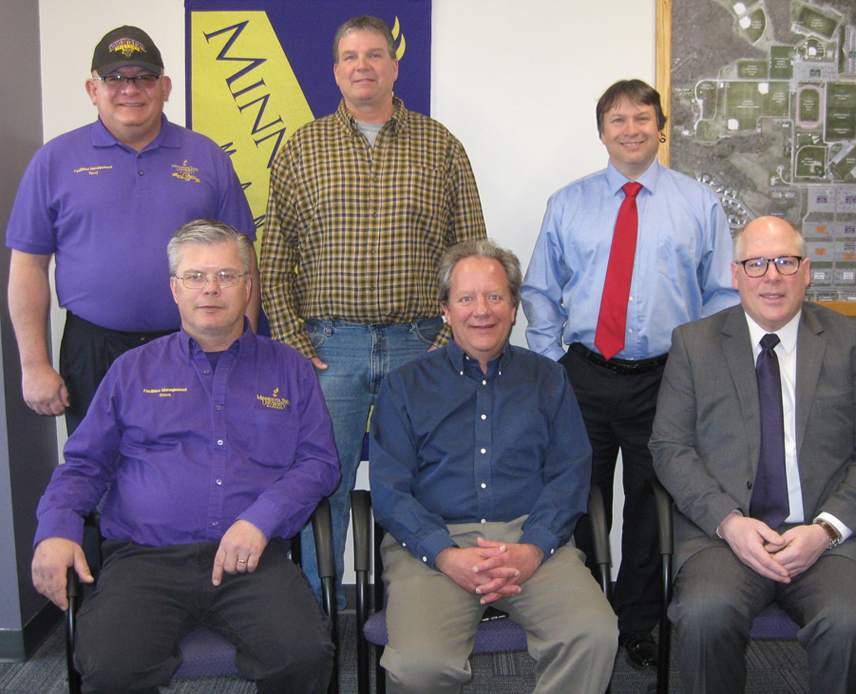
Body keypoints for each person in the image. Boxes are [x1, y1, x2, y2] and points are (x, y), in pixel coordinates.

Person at [30, 220, 339, 694]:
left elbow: (319, 463)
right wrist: (55, 530)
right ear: (174, 288)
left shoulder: (289, 368)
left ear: (248, 285)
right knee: (112, 668)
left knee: (303, 656)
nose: (210, 288)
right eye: (195, 276)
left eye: (227, 275)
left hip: (251, 560)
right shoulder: (132, 369)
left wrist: (262, 519)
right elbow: (85, 465)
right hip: (144, 561)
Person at [260, 14, 486, 602]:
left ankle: (412, 611)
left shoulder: (442, 146)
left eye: (375, 54)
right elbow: (274, 257)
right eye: (351, 57)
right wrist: (293, 343)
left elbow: (471, 252)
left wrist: (448, 343)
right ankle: (313, 615)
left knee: (417, 485)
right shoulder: (300, 149)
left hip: (419, 344)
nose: (364, 66)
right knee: (320, 482)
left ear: (394, 64)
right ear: (336, 71)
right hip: (329, 348)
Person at [520, 78, 738, 666]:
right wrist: (551, 365)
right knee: (578, 497)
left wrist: (704, 371)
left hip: (667, 378)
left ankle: (638, 621)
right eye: (618, 120)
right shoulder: (568, 203)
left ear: (660, 127)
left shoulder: (698, 203)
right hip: (583, 376)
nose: (632, 129)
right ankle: (584, 618)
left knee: (651, 501)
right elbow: (541, 290)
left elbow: (721, 293)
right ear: (602, 132)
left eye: (642, 118)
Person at [649, 216, 856, 694]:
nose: (771, 276)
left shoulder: (850, 340)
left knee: (849, 625)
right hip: (725, 540)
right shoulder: (694, 343)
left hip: (829, 540)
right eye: (757, 263)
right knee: (705, 616)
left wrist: (826, 530)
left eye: (785, 262)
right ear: (736, 274)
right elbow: (669, 447)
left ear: (806, 272)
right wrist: (729, 522)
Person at [369, 239, 617, 694]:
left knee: (593, 634)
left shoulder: (548, 379)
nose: (481, 310)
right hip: (434, 544)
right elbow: (388, 490)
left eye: (495, 296)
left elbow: (570, 473)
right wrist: (444, 554)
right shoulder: (404, 387)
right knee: (420, 666)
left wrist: (534, 547)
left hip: (529, 538)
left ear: (514, 305)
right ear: (444, 309)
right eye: (466, 298)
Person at [6, 25, 259, 434]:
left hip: (192, 343)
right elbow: (28, 267)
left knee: (193, 467)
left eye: (143, 77)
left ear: (165, 87)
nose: (130, 89)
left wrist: (243, 348)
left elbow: (243, 261)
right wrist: (34, 365)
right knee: (98, 473)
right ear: (93, 89)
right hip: (93, 350)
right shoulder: (54, 160)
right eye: (115, 78)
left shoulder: (207, 157)